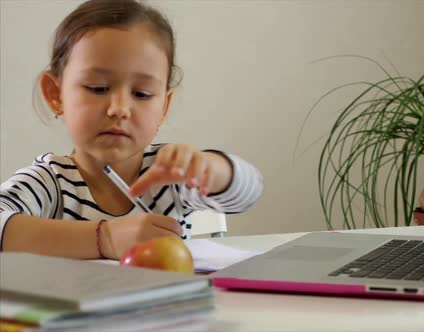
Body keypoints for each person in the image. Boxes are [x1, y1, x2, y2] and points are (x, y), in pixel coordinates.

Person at [0, 0, 263, 260]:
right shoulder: (50, 184)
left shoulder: (169, 178)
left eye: (142, 93)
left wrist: (212, 168)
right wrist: (105, 239)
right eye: (98, 88)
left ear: (163, 106)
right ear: (56, 94)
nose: (120, 109)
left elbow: (248, 193)